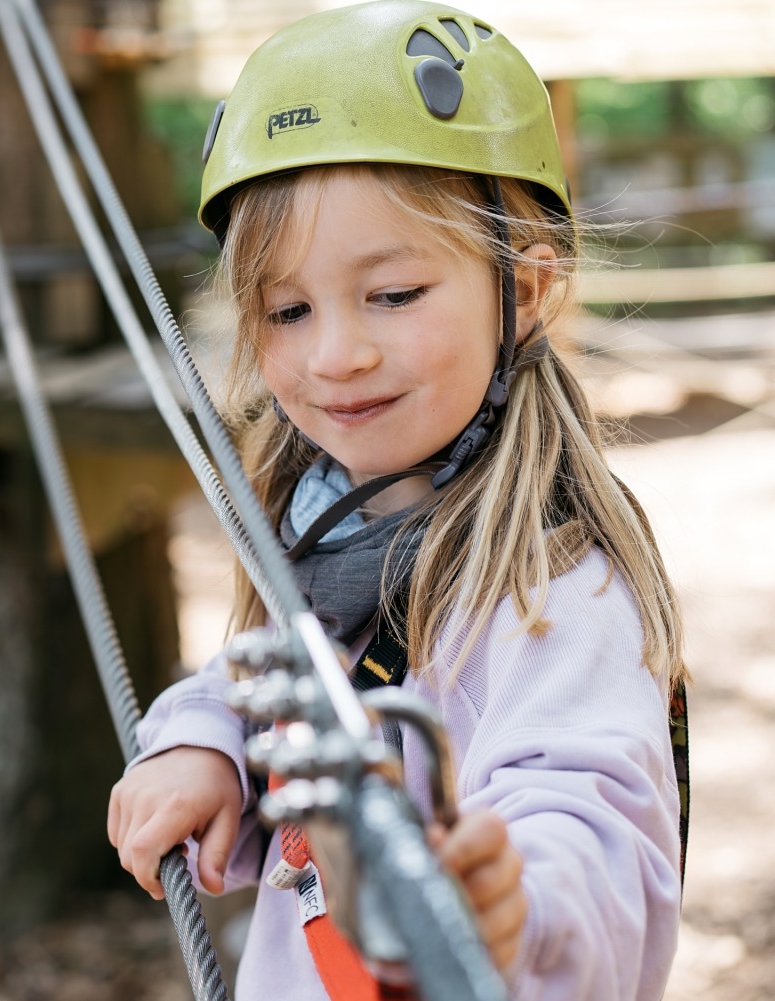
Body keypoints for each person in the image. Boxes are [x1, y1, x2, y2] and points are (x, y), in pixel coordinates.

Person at [107, 2, 687, 998]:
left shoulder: (556, 595)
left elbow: (593, 819)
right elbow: (264, 683)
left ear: (528, 287)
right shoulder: (326, 527)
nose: (337, 354)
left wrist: (515, 907)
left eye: (394, 294)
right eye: (288, 310)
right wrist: (203, 740)